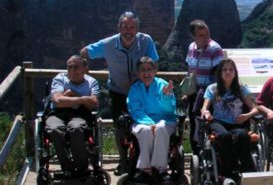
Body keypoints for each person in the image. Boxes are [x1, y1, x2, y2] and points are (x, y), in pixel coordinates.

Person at [80, 11, 159, 175]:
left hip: (141, 92)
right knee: (120, 127)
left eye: (132, 27)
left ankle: (140, 161)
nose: (128, 31)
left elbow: (154, 63)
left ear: (136, 28)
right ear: (119, 28)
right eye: (125, 27)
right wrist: (84, 73)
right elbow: (84, 52)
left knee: (142, 125)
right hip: (118, 92)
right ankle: (124, 162)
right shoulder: (108, 44)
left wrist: (146, 80)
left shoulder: (146, 41)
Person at [200, 58, 258, 182]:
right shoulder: (212, 88)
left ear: (235, 72)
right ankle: (229, 172)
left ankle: (249, 173)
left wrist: (246, 116)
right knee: (223, 136)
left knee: (242, 136)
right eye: (224, 70)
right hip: (218, 122)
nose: (228, 72)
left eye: (231, 69)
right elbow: (204, 108)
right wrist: (206, 113)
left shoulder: (242, 89)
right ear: (220, 73)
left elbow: (255, 109)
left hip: (236, 123)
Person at [45, 55, 99, 176]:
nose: (72, 70)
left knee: (76, 128)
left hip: (80, 115)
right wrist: (83, 99)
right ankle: (67, 168)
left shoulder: (92, 82)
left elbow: (94, 104)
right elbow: (58, 102)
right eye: (69, 67)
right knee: (54, 129)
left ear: (85, 69)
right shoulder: (59, 78)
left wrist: (70, 95)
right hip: (57, 114)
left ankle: (81, 169)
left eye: (76, 67)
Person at [127, 56, 176, 183]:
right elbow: (135, 110)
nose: (146, 73)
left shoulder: (163, 85)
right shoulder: (135, 89)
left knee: (160, 128)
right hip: (141, 121)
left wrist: (166, 96)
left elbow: (169, 110)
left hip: (165, 120)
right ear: (138, 73)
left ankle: (160, 169)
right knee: (145, 130)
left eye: (149, 69)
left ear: (155, 71)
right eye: (142, 70)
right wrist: (149, 123)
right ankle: (145, 169)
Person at [184, 19, 224, 155]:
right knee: (195, 124)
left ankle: (212, 154)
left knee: (209, 123)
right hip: (194, 93)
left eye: (207, 34)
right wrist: (186, 90)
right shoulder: (191, 47)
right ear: (193, 36)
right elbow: (189, 69)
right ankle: (197, 154)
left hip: (209, 95)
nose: (206, 38)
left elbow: (218, 74)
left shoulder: (215, 49)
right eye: (201, 35)